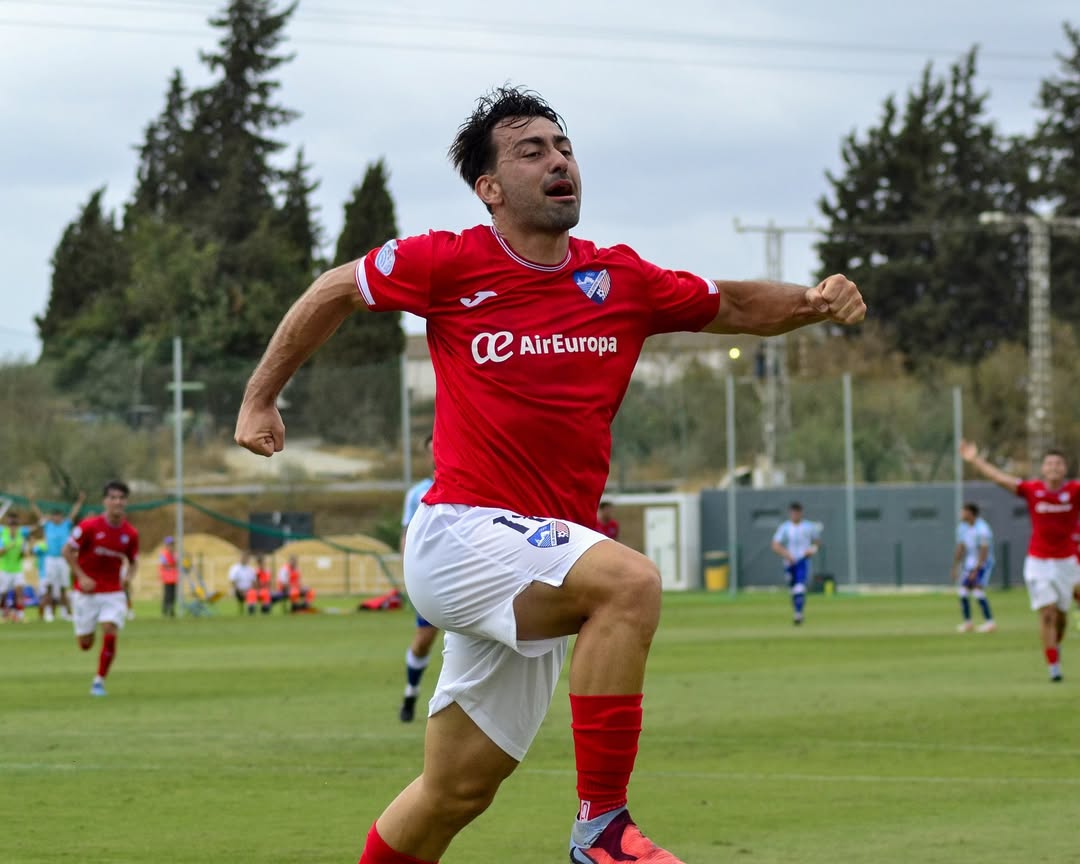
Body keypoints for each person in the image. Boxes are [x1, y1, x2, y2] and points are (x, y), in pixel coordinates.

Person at [234, 85, 865, 864]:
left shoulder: (618, 279)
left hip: (538, 558)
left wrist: (811, 301)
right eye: (531, 151)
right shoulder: (448, 261)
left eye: (562, 147)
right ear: (489, 189)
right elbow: (335, 287)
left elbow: (730, 303)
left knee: (453, 792)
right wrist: (261, 398)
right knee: (631, 584)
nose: (558, 160)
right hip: (460, 533)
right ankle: (602, 830)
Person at [961, 440, 1080, 682]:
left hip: (1067, 563)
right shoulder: (1032, 490)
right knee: (1046, 613)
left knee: (1061, 617)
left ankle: (1054, 646)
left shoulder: (1075, 491)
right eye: (1049, 463)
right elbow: (1000, 478)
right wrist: (976, 460)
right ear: (1043, 469)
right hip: (1038, 561)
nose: (1054, 467)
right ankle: (1053, 667)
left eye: (1058, 463)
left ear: (1064, 469)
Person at [63, 481, 139, 696]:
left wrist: (129, 578)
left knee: (110, 629)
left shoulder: (130, 533)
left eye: (121, 498)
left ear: (126, 502)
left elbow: (133, 561)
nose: (117, 501)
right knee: (85, 644)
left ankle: (99, 681)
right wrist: (82, 576)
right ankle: (87, 633)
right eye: (113, 497)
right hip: (86, 593)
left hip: (113, 592)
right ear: (105, 501)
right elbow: (67, 550)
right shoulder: (88, 526)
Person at [399, 434, 440, 723]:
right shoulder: (417, 494)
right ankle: (411, 692)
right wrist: (408, 571)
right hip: (431, 578)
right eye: (431, 451)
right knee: (424, 639)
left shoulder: (471, 486)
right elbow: (407, 535)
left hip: (466, 576)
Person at [31, 492, 85, 622]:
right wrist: (32, 503)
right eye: (54, 516)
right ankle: (49, 612)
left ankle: (65, 612)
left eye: (59, 516)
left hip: (63, 559)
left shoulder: (66, 524)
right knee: (49, 586)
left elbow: (74, 513)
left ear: (61, 517)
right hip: (51, 559)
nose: (57, 518)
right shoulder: (48, 525)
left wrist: (80, 501)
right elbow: (38, 514)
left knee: (63, 586)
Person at [770, 502, 821, 625]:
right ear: (790, 513)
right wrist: (786, 554)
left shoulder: (809, 526)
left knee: (800, 587)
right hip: (789, 562)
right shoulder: (785, 528)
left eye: (797, 512)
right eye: (793, 512)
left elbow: (817, 542)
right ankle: (797, 611)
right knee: (793, 589)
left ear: (801, 513)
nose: (795, 515)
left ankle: (798, 614)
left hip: (802, 561)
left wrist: (812, 550)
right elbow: (775, 545)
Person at [950, 502, 997, 633]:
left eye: (963, 511)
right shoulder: (962, 528)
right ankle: (968, 623)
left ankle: (990, 623)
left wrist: (976, 570)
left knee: (977, 591)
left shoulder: (983, 529)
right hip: (969, 564)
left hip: (983, 563)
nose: (961, 514)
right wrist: (955, 566)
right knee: (963, 592)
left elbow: (984, 551)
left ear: (970, 513)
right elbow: (961, 547)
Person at [0, 510, 28, 622]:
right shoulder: (3, 535)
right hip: (5, 568)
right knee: (3, 593)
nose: (13, 528)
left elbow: (23, 554)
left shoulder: (21, 537)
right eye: (12, 525)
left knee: (19, 591)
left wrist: (23, 552)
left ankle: (20, 614)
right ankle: (3, 614)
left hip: (17, 569)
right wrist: (9, 547)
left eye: (15, 526)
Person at [159, 536, 179, 617]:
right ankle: (166, 609)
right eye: (169, 545)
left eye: (172, 544)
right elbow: (165, 564)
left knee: (173, 595)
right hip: (167, 578)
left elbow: (177, 562)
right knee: (167, 594)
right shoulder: (163, 554)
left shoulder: (175, 554)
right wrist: (172, 564)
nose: (171, 546)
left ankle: (171, 609)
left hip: (174, 577)